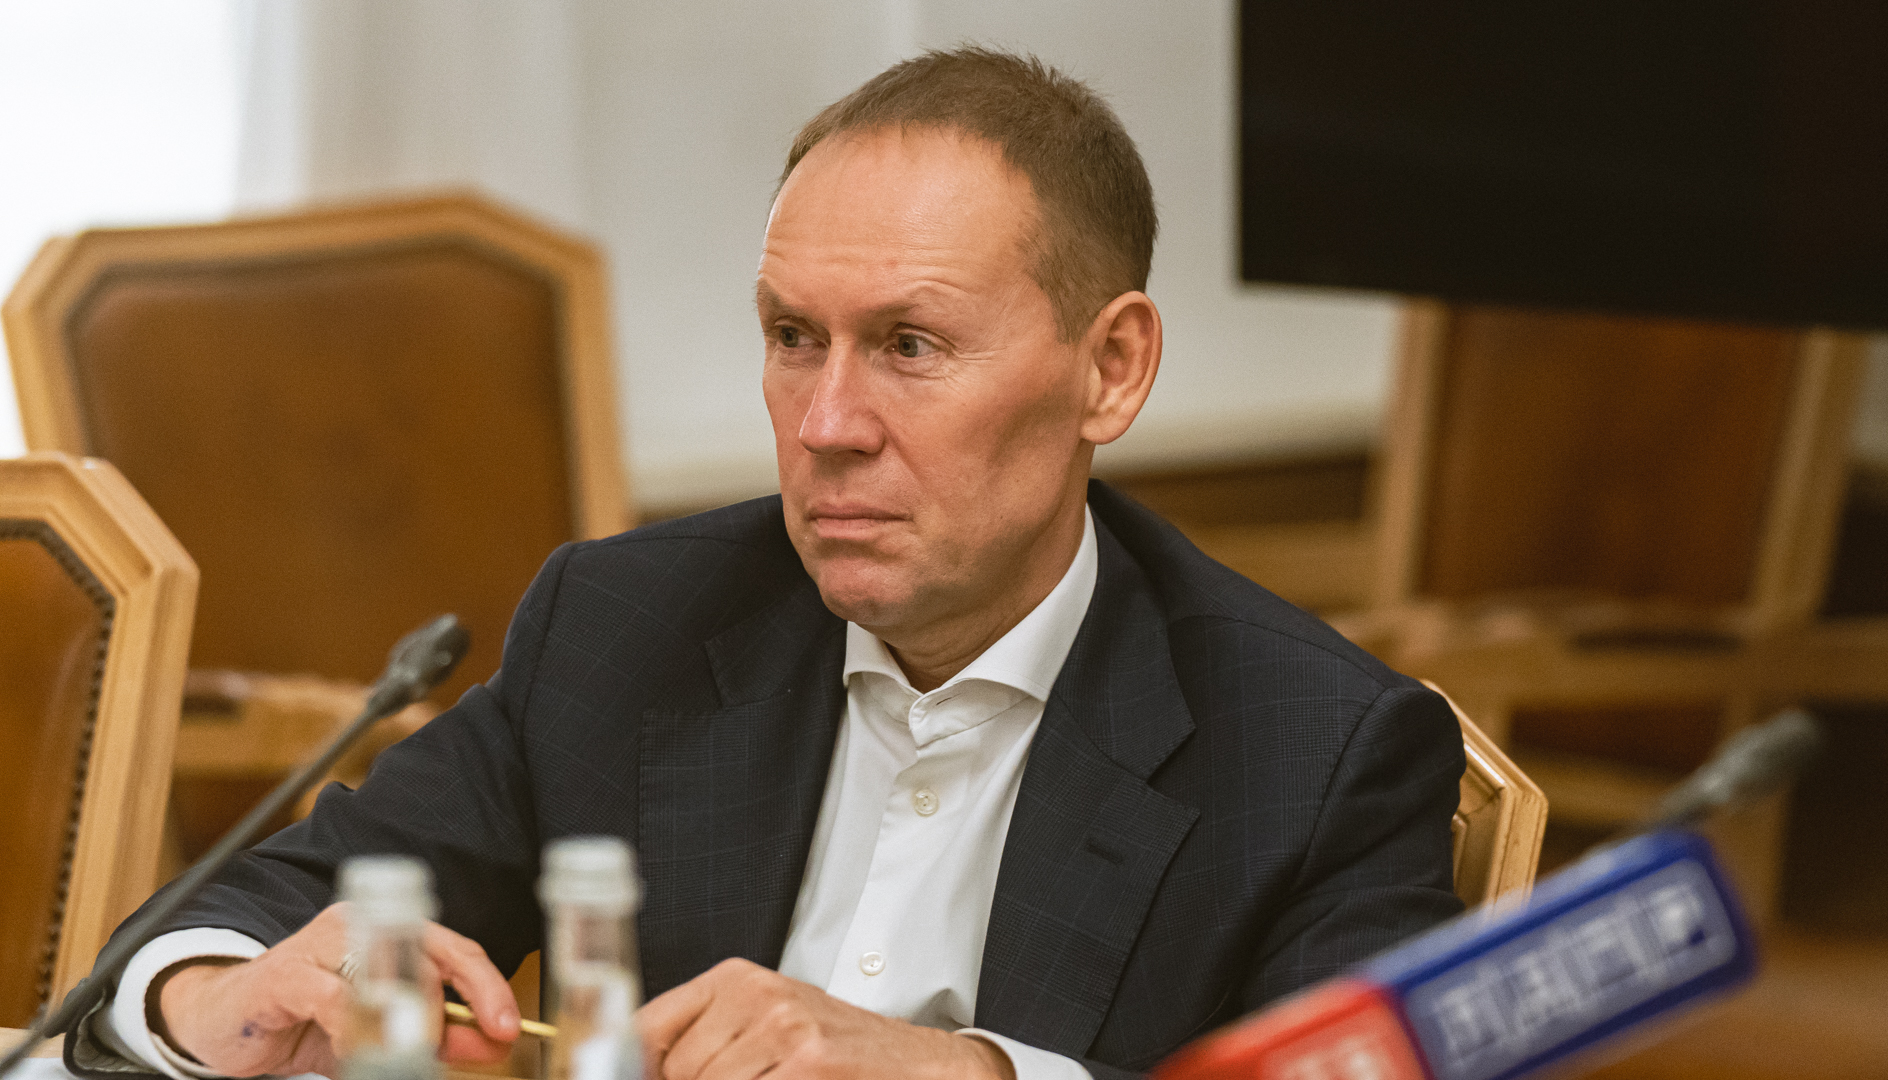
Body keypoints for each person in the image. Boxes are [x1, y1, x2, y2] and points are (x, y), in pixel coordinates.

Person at [67, 47, 1463, 1080]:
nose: (827, 422)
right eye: (794, 338)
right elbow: (242, 922)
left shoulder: (1314, 750)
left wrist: (969, 1076)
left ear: (1112, 368)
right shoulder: (631, 626)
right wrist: (219, 998)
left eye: (910, 345)